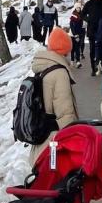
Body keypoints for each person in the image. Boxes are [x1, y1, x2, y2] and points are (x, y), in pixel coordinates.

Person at [28, 28, 79, 164]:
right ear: (65, 50)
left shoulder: (43, 68)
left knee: (42, 178)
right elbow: (65, 113)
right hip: (54, 140)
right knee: (54, 177)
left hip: (41, 135)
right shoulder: (59, 73)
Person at [82, 0, 102, 76]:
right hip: (92, 30)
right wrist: (88, 19)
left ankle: (101, 65)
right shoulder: (88, 4)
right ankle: (93, 68)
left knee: (101, 49)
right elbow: (82, 14)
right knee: (92, 50)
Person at [68, 3, 85, 68]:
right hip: (73, 35)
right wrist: (75, 35)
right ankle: (72, 61)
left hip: (79, 34)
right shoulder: (73, 16)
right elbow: (72, 26)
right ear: (75, 8)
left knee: (77, 48)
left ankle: (78, 62)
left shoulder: (81, 16)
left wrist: (80, 34)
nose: (78, 9)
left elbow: (81, 26)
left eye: (79, 8)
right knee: (72, 48)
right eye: (77, 8)